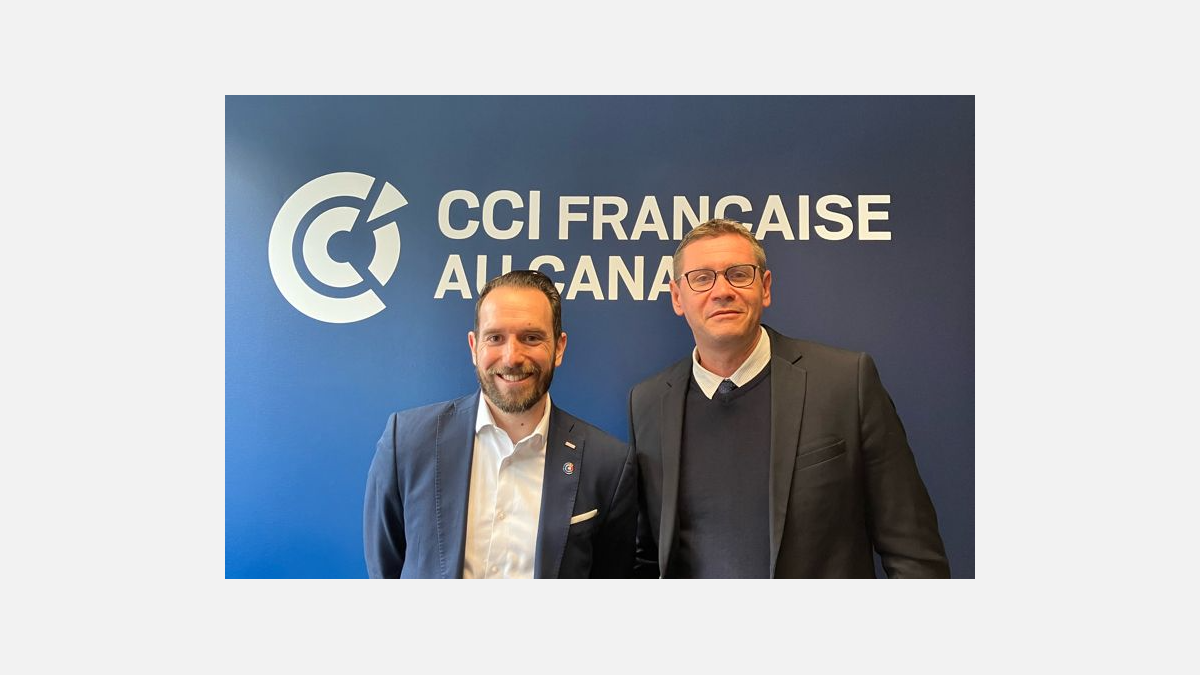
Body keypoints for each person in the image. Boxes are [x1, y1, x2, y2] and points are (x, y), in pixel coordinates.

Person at [629, 219, 950, 578]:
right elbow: (647, 556)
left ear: (765, 288)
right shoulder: (648, 403)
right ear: (677, 297)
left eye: (739, 274)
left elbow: (912, 553)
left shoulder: (846, 383)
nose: (722, 291)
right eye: (702, 278)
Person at [364, 270, 636, 578]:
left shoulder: (608, 464)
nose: (511, 357)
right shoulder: (407, 442)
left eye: (531, 338)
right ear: (474, 346)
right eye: (495, 338)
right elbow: (385, 574)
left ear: (559, 348)